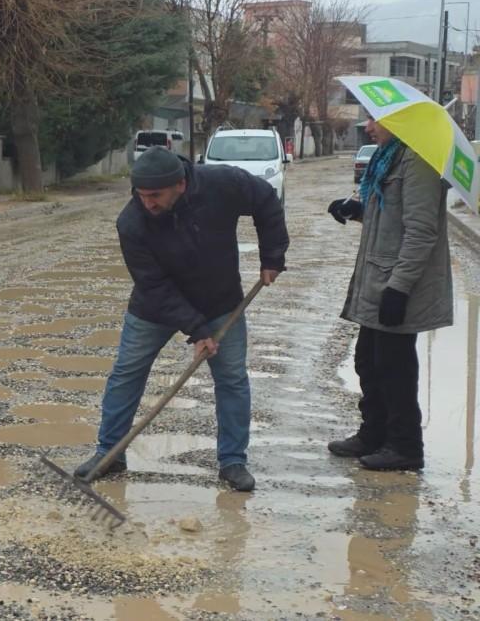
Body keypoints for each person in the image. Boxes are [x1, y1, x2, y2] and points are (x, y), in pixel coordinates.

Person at [72, 146, 289, 492]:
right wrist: (199, 331)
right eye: (141, 195)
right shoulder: (132, 222)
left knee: (232, 378)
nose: (148, 203)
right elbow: (153, 285)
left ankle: (233, 461)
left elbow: (265, 199)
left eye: (155, 195)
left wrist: (273, 255)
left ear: (180, 185)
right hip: (154, 308)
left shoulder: (223, 183)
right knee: (127, 373)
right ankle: (109, 453)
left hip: (220, 301)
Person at [325, 117, 451, 471]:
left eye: (375, 121)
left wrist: (399, 287)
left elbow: (421, 231)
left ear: (399, 122)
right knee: (368, 359)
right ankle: (374, 433)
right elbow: (390, 217)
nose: (367, 127)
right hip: (378, 279)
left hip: (397, 284)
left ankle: (405, 446)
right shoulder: (388, 158)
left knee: (394, 366)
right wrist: (356, 211)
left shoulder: (418, 162)